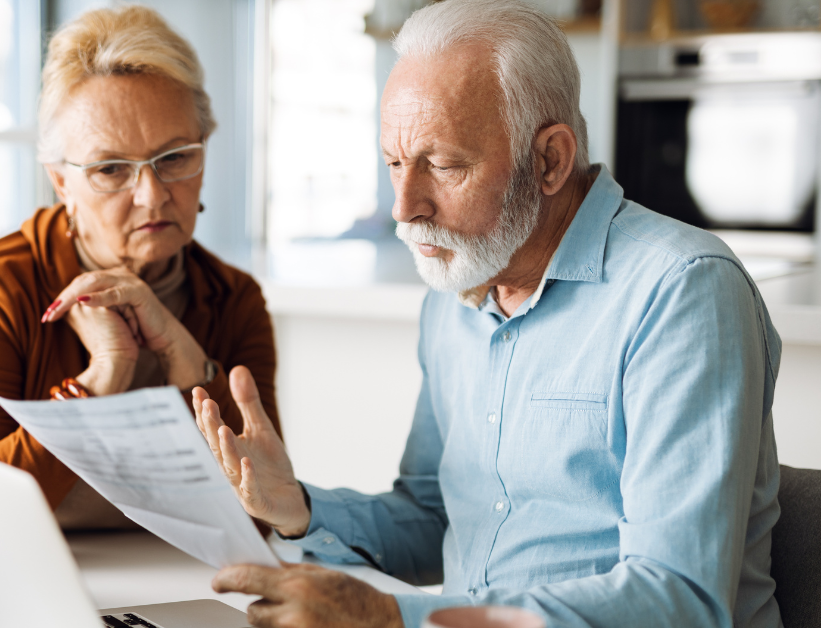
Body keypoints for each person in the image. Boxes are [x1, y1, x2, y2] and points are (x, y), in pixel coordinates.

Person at [192, 1, 782, 626]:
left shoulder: (682, 292)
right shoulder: (455, 295)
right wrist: (300, 509)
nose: (404, 207)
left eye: (443, 166)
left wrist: (396, 618)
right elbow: (434, 518)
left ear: (551, 160)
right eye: (394, 163)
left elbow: (680, 599)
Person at [0, 5, 280, 539]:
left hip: (135, 589)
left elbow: (265, 513)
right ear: (61, 182)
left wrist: (183, 357)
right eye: (111, 169)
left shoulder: (235, 299)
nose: (152, 194)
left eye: (175, 158)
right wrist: (100, 379)